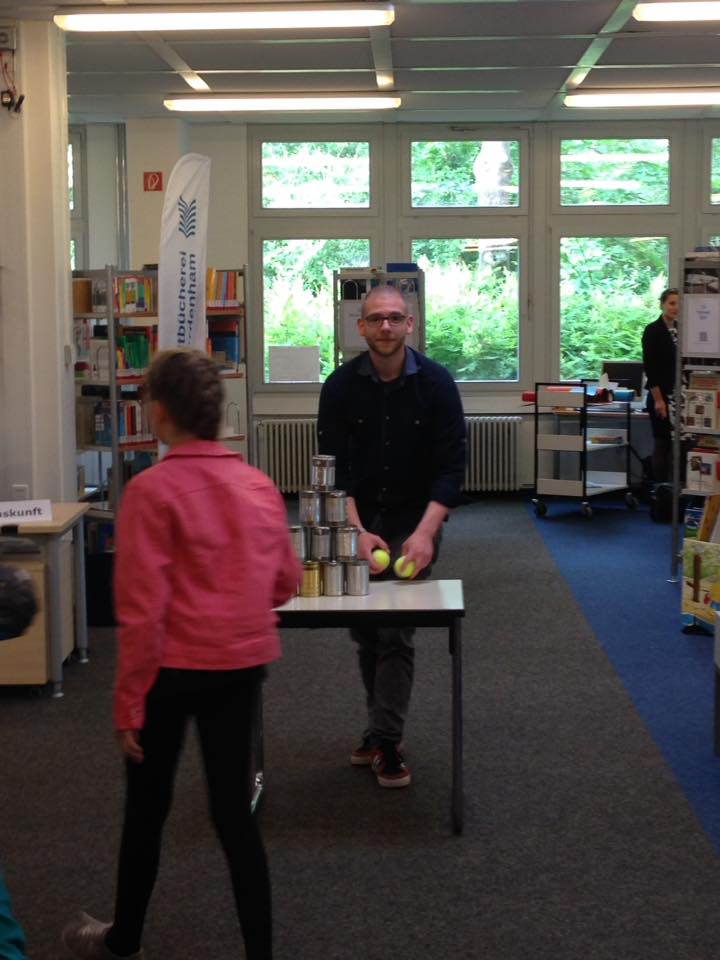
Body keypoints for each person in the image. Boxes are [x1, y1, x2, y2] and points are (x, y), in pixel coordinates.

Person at [62, 349, 301, 960]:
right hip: (239, 667)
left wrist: (127, 706)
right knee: (233, 816)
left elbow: (142, 613)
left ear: (160, 413)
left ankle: (124, 940)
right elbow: (284, 583)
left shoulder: (150, 492)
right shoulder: (258, 486)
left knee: (147, 809)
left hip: (169, 674)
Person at [317, 284, 466, 789]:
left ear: (410, 325)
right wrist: (356, 532)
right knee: (366, 630)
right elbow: (334, 473)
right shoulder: (339, 387)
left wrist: (426, 535)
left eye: (395, 318)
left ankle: (385, 739)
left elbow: (451, 471)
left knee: (396, 631)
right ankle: (380, 727)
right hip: (359, 517)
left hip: (414, 520)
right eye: (376, 318)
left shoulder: (438, 384)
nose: (386, 326)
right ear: (360, 326)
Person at [642, 287, 680, 483]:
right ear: (662, 304)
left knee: (679, 446)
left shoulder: (682, 329)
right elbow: (651, 369)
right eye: (672, 303)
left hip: (680, 396)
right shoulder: (653, 331)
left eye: (679, 304)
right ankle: (661, 491)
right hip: (661, 396)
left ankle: (677, 491)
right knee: (662, 444)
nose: (675, 308)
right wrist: (659, 400)